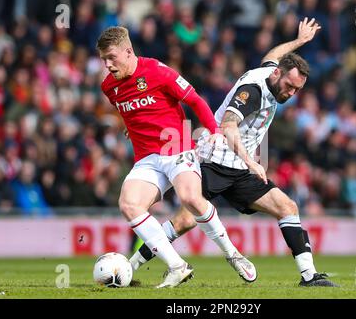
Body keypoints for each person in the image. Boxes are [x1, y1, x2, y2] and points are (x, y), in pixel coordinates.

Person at [130, 18, 339, 287]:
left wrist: (299, 41)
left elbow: (272, 55)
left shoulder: (273, 72)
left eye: (297, 89)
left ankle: (309, 277)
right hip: (213, 161)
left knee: (287, 207)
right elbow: (228, 124)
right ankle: (130, 266)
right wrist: (252, 161)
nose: (292, 93)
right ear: (277, 75)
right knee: (184, 221)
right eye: (290, 86)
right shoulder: (252, 91)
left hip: (239, 169)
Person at [97, 26, 256, 288]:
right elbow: (137, 110)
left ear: (128, 51)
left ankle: (233, 254)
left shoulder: (157, 70)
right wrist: (133, 125)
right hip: (147, 158)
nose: (107, 65)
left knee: (190, 197)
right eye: (103, 59)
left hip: (176, 146)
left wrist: (214, 131)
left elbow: (195, 101)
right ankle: (177, 266)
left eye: (112, 57)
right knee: (128, 205)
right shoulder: (108, 87)